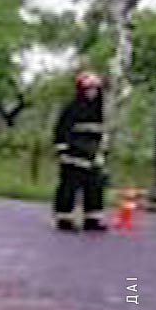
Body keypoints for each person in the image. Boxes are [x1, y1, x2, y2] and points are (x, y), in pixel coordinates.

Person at [52, 71, 108, 232]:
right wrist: (63, 151)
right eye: (89, 89)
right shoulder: (72, 108)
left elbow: (101, 134)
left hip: (92, 156)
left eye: (96, 89)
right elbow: (61, 131)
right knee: (69, 188)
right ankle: (64, 218)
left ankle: (92, 219)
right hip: (73, 157)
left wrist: (101, 152)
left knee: (94, 188)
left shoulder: (99, 111)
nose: (93, 93)